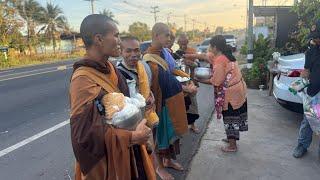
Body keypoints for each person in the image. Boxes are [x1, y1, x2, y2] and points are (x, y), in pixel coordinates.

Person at [69, 14, 155, 180]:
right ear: (99, 39)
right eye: (116, 35)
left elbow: (124, 105)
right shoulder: (82, 79)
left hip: (129, 151)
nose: (119, 41)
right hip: (108, 165)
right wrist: (132, 137)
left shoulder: (111, 69)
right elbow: (84, 136)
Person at [185, 35, 248, 152]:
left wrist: (198, 80)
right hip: (239, 89)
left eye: (210, 46)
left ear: (214, 47)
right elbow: (203, 56)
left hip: (231, 94)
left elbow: (216, 81)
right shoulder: (224, 54)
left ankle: (232, 146)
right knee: (233, 116)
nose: (209, 48)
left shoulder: (219, 61)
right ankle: (231, 138)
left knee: (230, 117)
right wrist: (187, 55)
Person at [143, 22, 189, 180]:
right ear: (156, 35)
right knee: (159, 137)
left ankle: (168, 161)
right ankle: (159, 167)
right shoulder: (149, 58)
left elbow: (171, 71)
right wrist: (185, 88)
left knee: (171, 135)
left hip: (172, 102)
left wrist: (185, 78)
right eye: (167, 35)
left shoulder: (164, 53)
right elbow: (159, 81)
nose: (170, 38)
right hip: (160, 104)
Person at [292, 21, 320, 159]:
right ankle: (302, 145)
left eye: (317, 36)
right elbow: (307, 70)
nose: (315, 39)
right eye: (314, 36)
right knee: (308, 121)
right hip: (313, 94)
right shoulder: (312, 51)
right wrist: (299, 83)